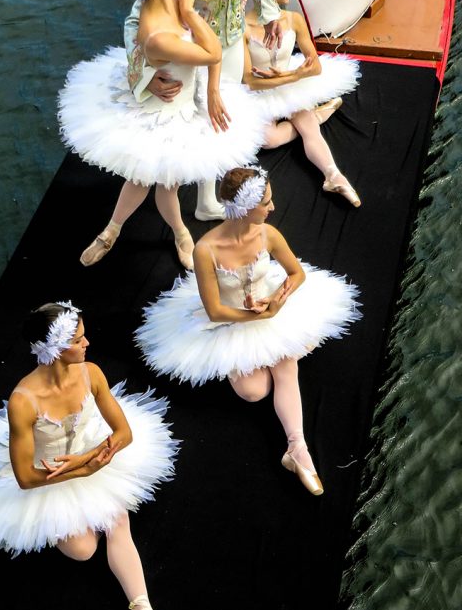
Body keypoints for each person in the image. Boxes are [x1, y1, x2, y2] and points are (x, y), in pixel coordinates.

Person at [0, 302, 177, 610]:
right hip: (45, 479)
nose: (87, 343)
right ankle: (134, 604)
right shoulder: (24, 400)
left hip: (87, 455)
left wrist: (86, 461)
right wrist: (79, 473)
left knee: (117, 521)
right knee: (83, 551)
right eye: (78, 339)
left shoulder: (91, 372)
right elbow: (25, 478)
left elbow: (124, 433)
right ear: (54, 349)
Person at [136, 167, 360, 495]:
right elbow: (214, 309)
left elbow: (296, 275)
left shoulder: (268, 234)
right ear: (244, 208)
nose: (272, 207)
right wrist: (255, 316)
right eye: (265, 202)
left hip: (268, 305)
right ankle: (291, 434)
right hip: (230, 319)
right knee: (254, 392)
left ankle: (297, 449)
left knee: (285, 362)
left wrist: (277, 301)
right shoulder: (206, 249)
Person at [59, 0, 267, 271]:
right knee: (147, 179)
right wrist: (185, 16)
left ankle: (124, 231)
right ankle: (161, 233)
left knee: (160, 182)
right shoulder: (156, 34)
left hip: (186, 101)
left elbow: (204, 36)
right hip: (162, 114)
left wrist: (212, 89)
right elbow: (211, 51)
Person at [124, 0, 283, 220]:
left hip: (232, 38)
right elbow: (137, 18)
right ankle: (204, 203)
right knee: (201, 123)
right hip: (196, 50)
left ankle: (210, 199)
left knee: (223, 118)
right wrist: (148, 74)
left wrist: (270, 12)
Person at [244, 0, 362, 206]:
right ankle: (321, 114)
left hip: (290, 83)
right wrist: (287, 78)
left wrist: (291, 77)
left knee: (308, 128)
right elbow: (250, 81)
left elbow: (315, 66)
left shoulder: (293, 19)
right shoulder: (244, 27)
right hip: (259, 91)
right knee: (269, 140)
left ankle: (333, 175)